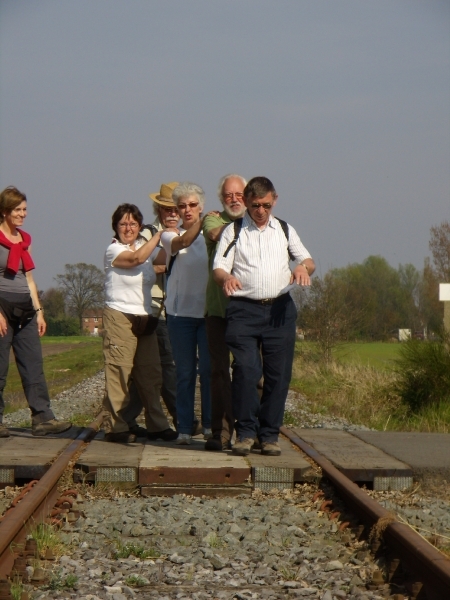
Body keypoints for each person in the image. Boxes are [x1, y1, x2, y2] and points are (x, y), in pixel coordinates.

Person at [213, 176, 315, 457]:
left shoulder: (284, 229)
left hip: (280, 310)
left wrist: (303, 268)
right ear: (246, 202)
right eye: (255, 205)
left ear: (275, 200)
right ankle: (245, 432)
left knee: (278, 375)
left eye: (266, 205)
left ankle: (268, 435)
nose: (260, 211)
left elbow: (307, 259)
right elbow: (218, 267)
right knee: (246, 369)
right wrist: (226, 278)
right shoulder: (233, 231)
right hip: (243, 311)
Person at [0, 186, 71, 438]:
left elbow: (29, 278)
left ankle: (42, 418)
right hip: (1, 306)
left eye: (25, 209)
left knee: (33, 365)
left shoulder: (25, 240)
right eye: (18, 210)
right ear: (5, 211)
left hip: (25, 308)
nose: (23, 214)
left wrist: (39, 311)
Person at [102, 203, 176, 443]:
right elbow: (135, 259)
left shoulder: (145, 254)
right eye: (123, 223)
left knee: (151, 373)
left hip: (145, 318)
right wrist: (158, 234)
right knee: (119, 372)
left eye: (133, 223)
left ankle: (157, 425)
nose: (128, 228)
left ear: (139, 226)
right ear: (115, 227)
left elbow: (163, 260)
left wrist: (174, 238)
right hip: (120, 316)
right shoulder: (114, 251)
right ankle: (116, 427)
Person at [123, 182, 179, 439]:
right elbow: (142, 263)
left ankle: (125, 417)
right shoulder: (147, 234)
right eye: (167, 209)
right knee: (164, 367)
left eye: (176, 208)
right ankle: (183, 420)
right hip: (156, 310)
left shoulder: (189, 232)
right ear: (158, 209)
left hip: (182, 310)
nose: (172, 214)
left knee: (150, 369)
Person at [161, 183, 211, 444]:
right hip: (180, 315)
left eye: (192, 205)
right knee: (185, 372)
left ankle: (210, 426)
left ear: (200, 206)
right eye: (182, 206)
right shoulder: (169, 235)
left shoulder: (213, 235)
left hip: (208, 314)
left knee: (210, 370)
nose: (187, 210)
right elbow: (183, 241)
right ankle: (184, 428)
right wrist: (203, 223)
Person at [202, 174, 247, 451]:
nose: (234, 199)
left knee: (249, 372)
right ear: (221, 199)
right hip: (217, 310)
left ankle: (247, 430)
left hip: (248, 311)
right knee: (219, 373)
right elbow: (216, 235)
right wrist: (249, 221)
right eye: (229, 195)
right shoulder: (214, 220)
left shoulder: (259, 223)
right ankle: (220, 432)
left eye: (239, 194)